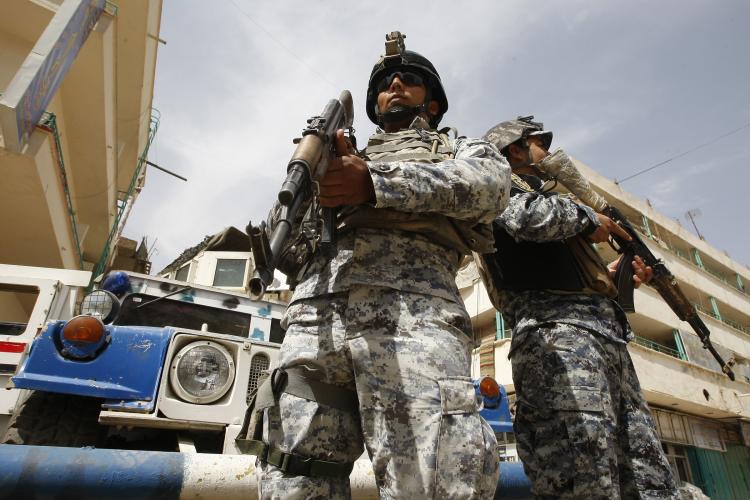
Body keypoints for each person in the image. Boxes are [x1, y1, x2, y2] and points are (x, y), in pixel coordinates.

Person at [249, 32, 511, 499]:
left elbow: (490, 187)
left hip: (413, 319)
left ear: (432, 102)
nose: (394, 83)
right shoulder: (337, 158)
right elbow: (287, 251)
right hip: (317, 321)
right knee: (294, 470)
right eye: (385, 82)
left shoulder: (456, 149)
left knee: (435, 477)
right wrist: (311, 178)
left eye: (409, 79)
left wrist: (372, 182)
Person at [478, 116, 680, 499]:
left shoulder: (551, 199)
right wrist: (588, 217)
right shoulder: (496, 186)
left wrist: (610, 275)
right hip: (555, 337)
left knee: (644, 471)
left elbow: (562, 270)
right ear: (515, 149)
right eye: (541, 143)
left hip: (603, 339)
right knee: (583, 472)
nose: (549, 152)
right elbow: (522, 220)